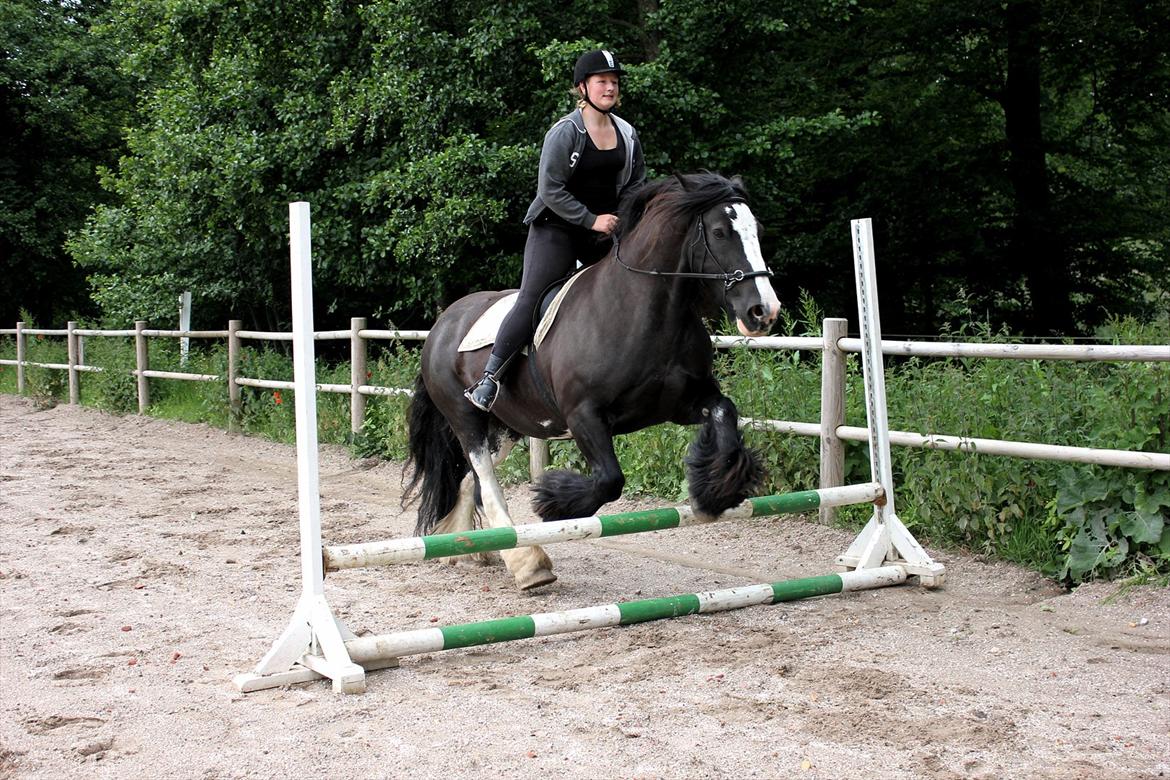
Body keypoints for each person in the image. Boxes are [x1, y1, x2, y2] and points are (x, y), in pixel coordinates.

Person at [464, 49, 646, 412]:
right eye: (602, 82)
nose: (610, 88)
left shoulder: (627, 134)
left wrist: (620, 220)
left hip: (603, 231)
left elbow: (635, 186)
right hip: (555, 228)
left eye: (614, 82)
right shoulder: (565, 132)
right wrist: (591, 219)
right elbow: (551, 190)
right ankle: (490, 378)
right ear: (583, 87)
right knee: (532, 298)